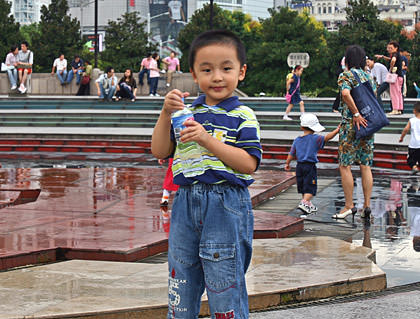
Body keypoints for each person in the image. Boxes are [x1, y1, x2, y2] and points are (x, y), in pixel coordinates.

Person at [151, 30, 262, 319]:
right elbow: (159, 149)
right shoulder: (185, 114)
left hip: (224, 204)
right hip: (185, 202)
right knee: (181, 278)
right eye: (207, 69)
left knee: (223, 281)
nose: (217, 77)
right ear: (194, 74)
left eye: (226, 68)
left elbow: (249, 163)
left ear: (242, 72)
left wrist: (207, 140)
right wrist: (165, 114)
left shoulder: (244, 116)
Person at [334, 45, 375, 220]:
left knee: (345, 165)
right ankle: (367, 205)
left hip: (351, 125)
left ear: (348, 59)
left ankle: (349, 205)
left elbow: (345, 94)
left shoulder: (346, 75)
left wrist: (355, 113)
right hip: (368, 126)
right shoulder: (369, 77)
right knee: (365, 165)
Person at [285, 113, 340, 215]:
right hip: (309, 166)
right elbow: (327, 137)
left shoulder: (297, 140)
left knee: (303, 186)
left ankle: (307, 204)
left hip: (299, 166)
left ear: (302, 127)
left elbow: (292, 153)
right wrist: (336, 130)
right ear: (314, 128)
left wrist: (287, 163)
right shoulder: (316, 138)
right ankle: (304, 202)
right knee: (310, 186)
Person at [375, 41, 404, 115]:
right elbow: (392, 59)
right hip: (400, 76)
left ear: (396, 48)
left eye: (391, 48)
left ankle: (395, 109)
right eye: (388, 48)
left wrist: (391, 69)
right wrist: (383, 57)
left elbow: (393, 60)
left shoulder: (395, 54)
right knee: (398, 93)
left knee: (394, 93)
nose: (389, 49)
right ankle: (399, 109)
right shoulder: (397, 54)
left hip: (395, 76)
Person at [399, 102, 420, 173]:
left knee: (410, 159)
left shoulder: (412, 120)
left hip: (413, 145)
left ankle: (414, 167)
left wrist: (402, 138)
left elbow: (405, 129)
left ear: (414, 110)